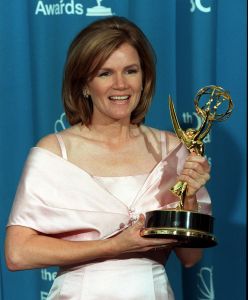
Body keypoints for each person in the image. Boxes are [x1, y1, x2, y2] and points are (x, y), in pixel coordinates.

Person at [5, 16, 211, 299]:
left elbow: (191, 257)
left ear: (144, 78)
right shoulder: (54, 153)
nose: (120, 85)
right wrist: (114, 246)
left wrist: (189, 198)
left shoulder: (172, 150)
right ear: (84, 85)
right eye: (105, 73)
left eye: (130, 71)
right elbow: (18, 254)